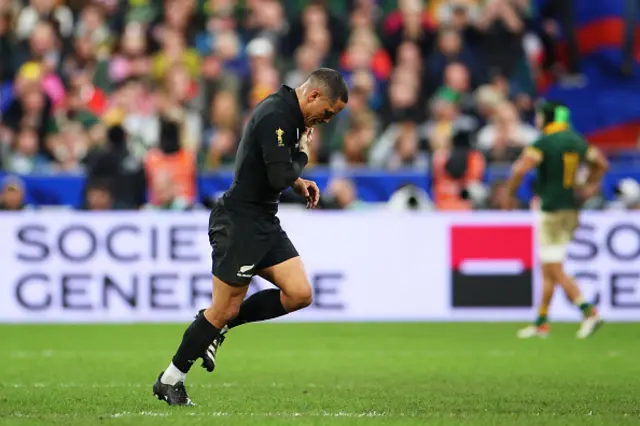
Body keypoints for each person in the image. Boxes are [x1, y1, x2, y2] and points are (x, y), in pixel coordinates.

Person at [153, 68, 348, 406]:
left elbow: (271, 169)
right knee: (220, 310)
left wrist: (298, 182)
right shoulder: (278, 115)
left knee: (299, 293)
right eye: (328, 112)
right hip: (239, 222)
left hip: (263, 220)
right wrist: (302, 155)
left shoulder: (291, 114)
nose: (326, 120)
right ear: (313, 96)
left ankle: (221, 329)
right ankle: (171, 378)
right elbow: (277, 175)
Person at [501, 101, 608, 339]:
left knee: (554, 268)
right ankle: (541, 322)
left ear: (546, 118)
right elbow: (601, 162)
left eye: (539, 116)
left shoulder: (543, 143)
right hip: (571, 210)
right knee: (548, 269)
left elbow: (520, 170)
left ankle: (588, 311)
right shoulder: (576, 141)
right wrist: (588, 183)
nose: (537, 120)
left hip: (551, 210)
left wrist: (509, 194)